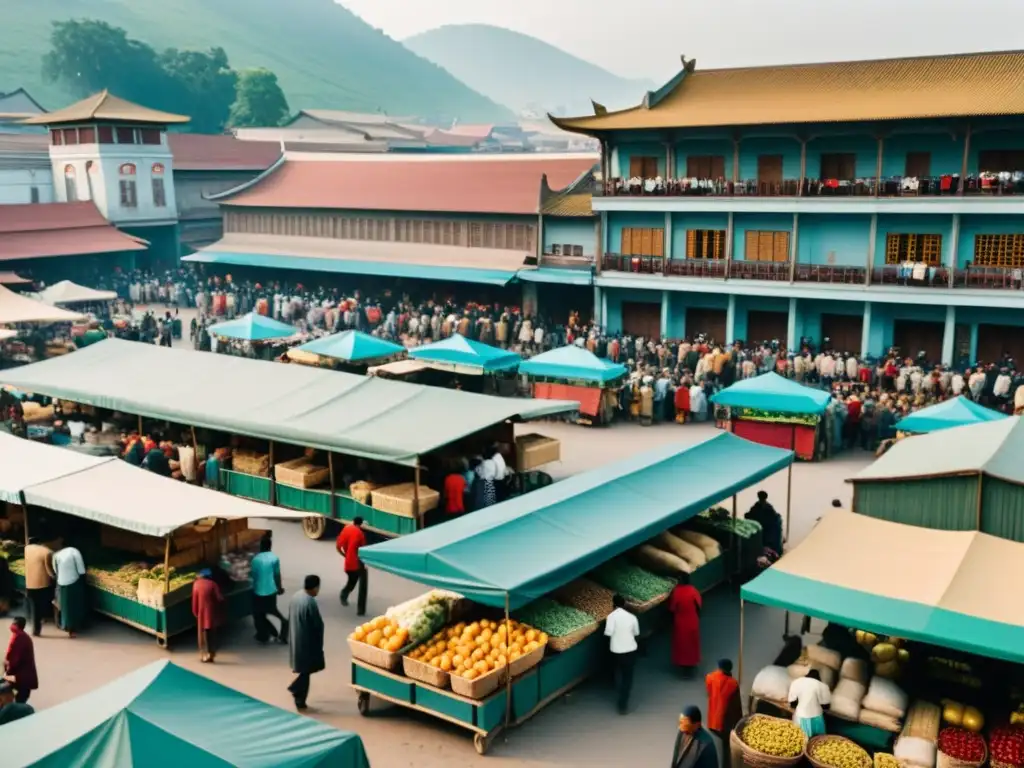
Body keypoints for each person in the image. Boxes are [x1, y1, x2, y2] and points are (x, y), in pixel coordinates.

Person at [288, 574, 325, 711]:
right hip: (307, 641)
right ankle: (298, 695)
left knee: (305, 670)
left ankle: (297, 692)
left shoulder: (297, 596)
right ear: (315, 587)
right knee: (306, 670)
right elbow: (317, 624)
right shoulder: (310, 602)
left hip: (296, 636)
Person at [604, 593, 639, 714]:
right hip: (630, 650)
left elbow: (608, 633)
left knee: (614, 667)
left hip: (616, 650)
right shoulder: (632, 617)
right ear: (624, 604)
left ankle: (611, 682)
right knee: (627, 677)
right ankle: (623, 704)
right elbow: (636, 633)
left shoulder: (611, 617)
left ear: (613, 604)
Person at [705, 659, 743, 768]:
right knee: (726, 747)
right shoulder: (733, 683)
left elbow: (708, 692)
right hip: (724, 723)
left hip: (712, 720)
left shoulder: (709, 677)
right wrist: (739, 723)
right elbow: (736, 706)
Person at [251, 536, 288, 644]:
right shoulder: (274, 558)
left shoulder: (255, 560)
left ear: (260, 546)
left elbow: (254, 576)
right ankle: (282, 631)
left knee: (258, 614)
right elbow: (277, 575)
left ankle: (263, 635)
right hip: (271, 592)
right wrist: (279, 588)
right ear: (270, 546)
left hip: (258, 592)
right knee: (273, 611)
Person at [668, 572, 702, 676]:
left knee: (682, 643)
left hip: (681, 621)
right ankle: (692, 663)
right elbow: (699, 605)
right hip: (692, 620)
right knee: (692, 642)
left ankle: (683, 665)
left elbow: (672, 608)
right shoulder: (693, 590)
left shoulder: (676, 592)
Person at [52, 544, 87, 638]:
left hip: (61, 582)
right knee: (74, 606)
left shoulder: (57, 554)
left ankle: (65, 625)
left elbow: (55, 570)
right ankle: (73, 628)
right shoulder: (75, 552)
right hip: (73, 582)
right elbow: (81, 570)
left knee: (65, 606)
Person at [23, 538, 54, 637]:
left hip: (29, 583)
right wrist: (54, 577)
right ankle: (37, 628)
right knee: (41, 605)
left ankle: (32, 624)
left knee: (33, 604)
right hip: (42, 584)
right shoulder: (47, 552)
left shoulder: (27, 549)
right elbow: (49, 570)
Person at [191, 569, 224, 663]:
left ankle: (203, 655)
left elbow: (194, 602)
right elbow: (219, 598)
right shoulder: (213, 584)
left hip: (201, 614)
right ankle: (211, 654)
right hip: (211, 613)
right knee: (211, 634)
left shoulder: (196, 584)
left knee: (202, 634)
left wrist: (196, 613)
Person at [337, 517, 368, 616]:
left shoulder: (346, 529)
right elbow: (363, 551)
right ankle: (360, 609)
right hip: (357, 564)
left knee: (352, 581)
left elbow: (338, 546)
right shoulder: (360, 534)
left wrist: (345, 555)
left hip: (348, 563)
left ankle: (344, 594)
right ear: (360, 524)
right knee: (360, 585)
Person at [788, 668, 831, 738]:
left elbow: (792, 702)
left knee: (800, 738)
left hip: (800, 716)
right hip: (816, 717)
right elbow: (826, 705)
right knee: (819, 739)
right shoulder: (822, 686)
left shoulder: (796, 682)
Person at [3, 618, 37, 704]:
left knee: (17, 698)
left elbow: (14, 660)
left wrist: (7, 671)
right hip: (22, 677)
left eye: (14, 624)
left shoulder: (20, 638)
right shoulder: (20, 636)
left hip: (21, 678)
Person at [746, 490, 783, 556]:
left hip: (765, 528)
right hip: (762, 527)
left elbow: (750, 515)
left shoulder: (764, 507)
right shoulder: (760, 507)